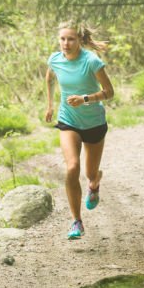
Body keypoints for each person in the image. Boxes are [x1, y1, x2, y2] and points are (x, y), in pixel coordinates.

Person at [44, 21, 115, 239]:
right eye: (62, 39)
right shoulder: (55, 59)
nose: (66, 43)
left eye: (71, 39)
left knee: (89, 173)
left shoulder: (92, 61)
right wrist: (50, 105)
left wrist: (85, 99)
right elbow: (49, 78)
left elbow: (109, 92)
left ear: (80, 40)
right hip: (68, 121)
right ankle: (77, 222)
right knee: (72, 167)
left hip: (94, 122)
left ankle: (94, 183)